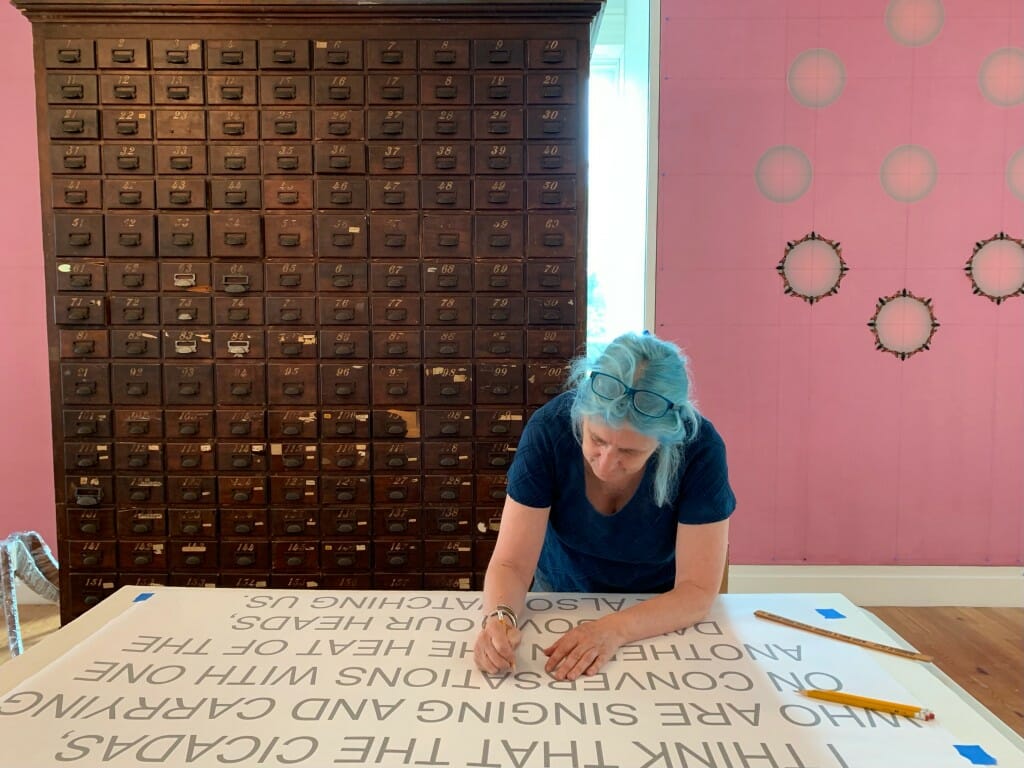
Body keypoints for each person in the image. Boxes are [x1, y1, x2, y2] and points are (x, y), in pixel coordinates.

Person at [473, 331, 735, 681]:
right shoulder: (549, 430)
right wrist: (500, 616)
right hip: (560, 598)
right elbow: (511, 563)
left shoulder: (701, 448)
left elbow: (698, 591)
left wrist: (613, 630)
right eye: (597, 440)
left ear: (666, 439)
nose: (606, 465)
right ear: (581, 412)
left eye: (630, 452)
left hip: (657, 610)